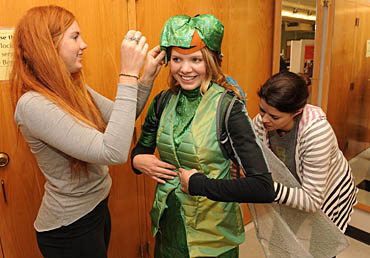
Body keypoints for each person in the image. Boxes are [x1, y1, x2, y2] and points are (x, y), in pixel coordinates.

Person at [10, 5, 165, 258]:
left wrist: (145, 77)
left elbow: (121, 118)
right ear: (48, 45)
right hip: (69, 229)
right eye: (75, 37)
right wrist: (128, 72)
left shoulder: (70, 86)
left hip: (96, 210)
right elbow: (112, 151)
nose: (84, 45)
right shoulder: (33, 104)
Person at [131, 14, 275, 258]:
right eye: (177, 59)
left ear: (210, 62)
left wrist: (200, 184)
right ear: (167, 60)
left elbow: (263, 187)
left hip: (213, 237)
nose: (185, 69)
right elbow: (141, 151)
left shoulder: (228, 109)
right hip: (168, 228)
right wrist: (137, 160)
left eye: (195, 59)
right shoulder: (162, 102)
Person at [180, 71, 357, 234]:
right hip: (291, 186)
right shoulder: (261, 123)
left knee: (320, 246)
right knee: (286, 238)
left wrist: (263, 188)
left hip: (328, 193)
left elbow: (311, 200)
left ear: (297, 112)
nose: (264, 120)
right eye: (262, 110)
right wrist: (240, 167)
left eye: (274, 117)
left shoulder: (317, 133)